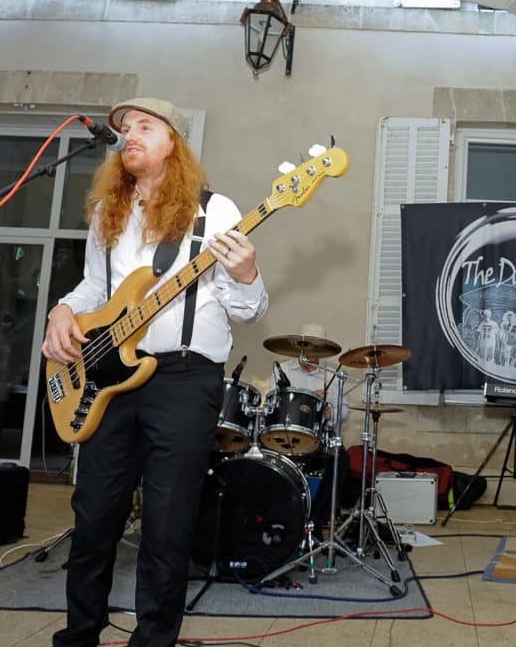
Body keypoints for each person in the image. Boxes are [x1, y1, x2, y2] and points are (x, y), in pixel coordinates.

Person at [42, 97, 269, 647]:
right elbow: (95, 290)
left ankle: (153, 641)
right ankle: (79, 634)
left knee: (167, 525)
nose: (129, 135)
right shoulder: (108, 212)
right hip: (108, 379)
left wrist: (247, 273)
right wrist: (62, 310)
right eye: (124, 128)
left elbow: (250, 310)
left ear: (175, 142)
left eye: (146, 126)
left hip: (186, 381)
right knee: (94, 515)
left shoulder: (212, 212)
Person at [270, 323, 350, 535]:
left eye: (317, 349)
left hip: (319, 438)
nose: (312, 353)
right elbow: (270, 406)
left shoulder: (332, 376)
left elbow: (345, 412)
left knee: (340, 460)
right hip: (287, 436)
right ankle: (281, 518)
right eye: (308, 347)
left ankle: (317, 520)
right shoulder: (282, 371)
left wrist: (331, 413)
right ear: (300, 347)